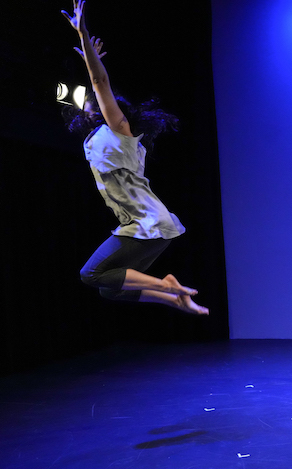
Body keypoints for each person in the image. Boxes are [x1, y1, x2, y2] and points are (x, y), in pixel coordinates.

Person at [62, 0, 208, 315]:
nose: (90, 102)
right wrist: (91, 59)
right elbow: (95, 83)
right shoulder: (103, 139)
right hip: (148, 226)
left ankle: (168, 285)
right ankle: (174, 298)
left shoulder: (119, 131)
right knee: (108, 288)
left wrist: (83, 35)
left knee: (90, 274)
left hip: (149, 225)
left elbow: (100, 83)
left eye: (96, 102)